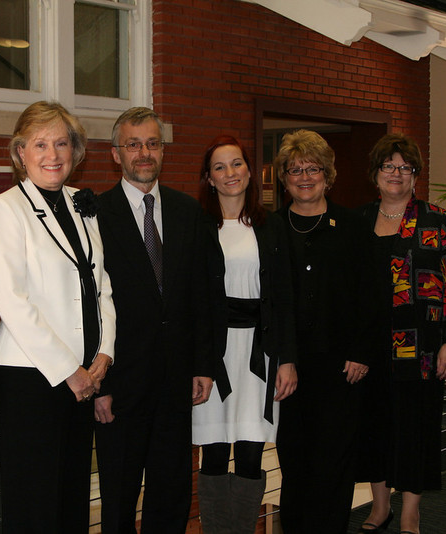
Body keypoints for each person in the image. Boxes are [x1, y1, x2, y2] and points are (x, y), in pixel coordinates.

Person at [0, 101, 115, 532]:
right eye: (40, 144)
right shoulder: (6, 208)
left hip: (83, 374)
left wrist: (104, 354)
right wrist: (68, 371)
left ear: (75, 151)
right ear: (21, 152)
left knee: (72, 494)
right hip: (31, 377)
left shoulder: (82, 202)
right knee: (35, 501)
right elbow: (12, 301)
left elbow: (102, 287)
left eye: (61, 143)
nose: (52, 154)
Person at [93, 107, 213, 533]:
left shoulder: (187, 212)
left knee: (171, 493)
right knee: (119, 498)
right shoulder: (94, 216)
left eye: (152, 143)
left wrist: (203, 365)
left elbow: (204, 295)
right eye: (133, 144)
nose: (144, 153)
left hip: (177, 383)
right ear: (115, 154)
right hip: (119, 386)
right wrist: (99, 385)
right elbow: (90, 306)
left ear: (162, 150)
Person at [356, 133, 446, 534]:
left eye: (405, 167)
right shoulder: (358, 220)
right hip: (370, 349)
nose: (396, 174)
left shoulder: (434, 219)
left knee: (415, 427)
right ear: (375, 174)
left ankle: (410, 512)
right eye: (388, 166)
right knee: (374, 425)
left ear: (415, 176)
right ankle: (380, 506)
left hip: (422, 347)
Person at [273, 129, 378, 534]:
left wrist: (361, 351)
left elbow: (371, 295)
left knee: (334, 463)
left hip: (341, 366)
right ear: (283, 178)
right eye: (294, 169)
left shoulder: (351, 226)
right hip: (289, 368)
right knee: (294, 461)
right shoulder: (272, 228)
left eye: (312, 168)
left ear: (327, 174)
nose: (304, 176)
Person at [192, 135, 298, 534]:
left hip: (260, 354)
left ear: (250, 171)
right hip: (213, 355)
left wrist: (287, 359)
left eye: (236, 164)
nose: (230, 173)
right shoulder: (197, 227)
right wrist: (194, 361)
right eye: (219, 167)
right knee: (215, 451)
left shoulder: (272, 227)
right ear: (209, 178)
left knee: (253, 451)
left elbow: (284, 298)